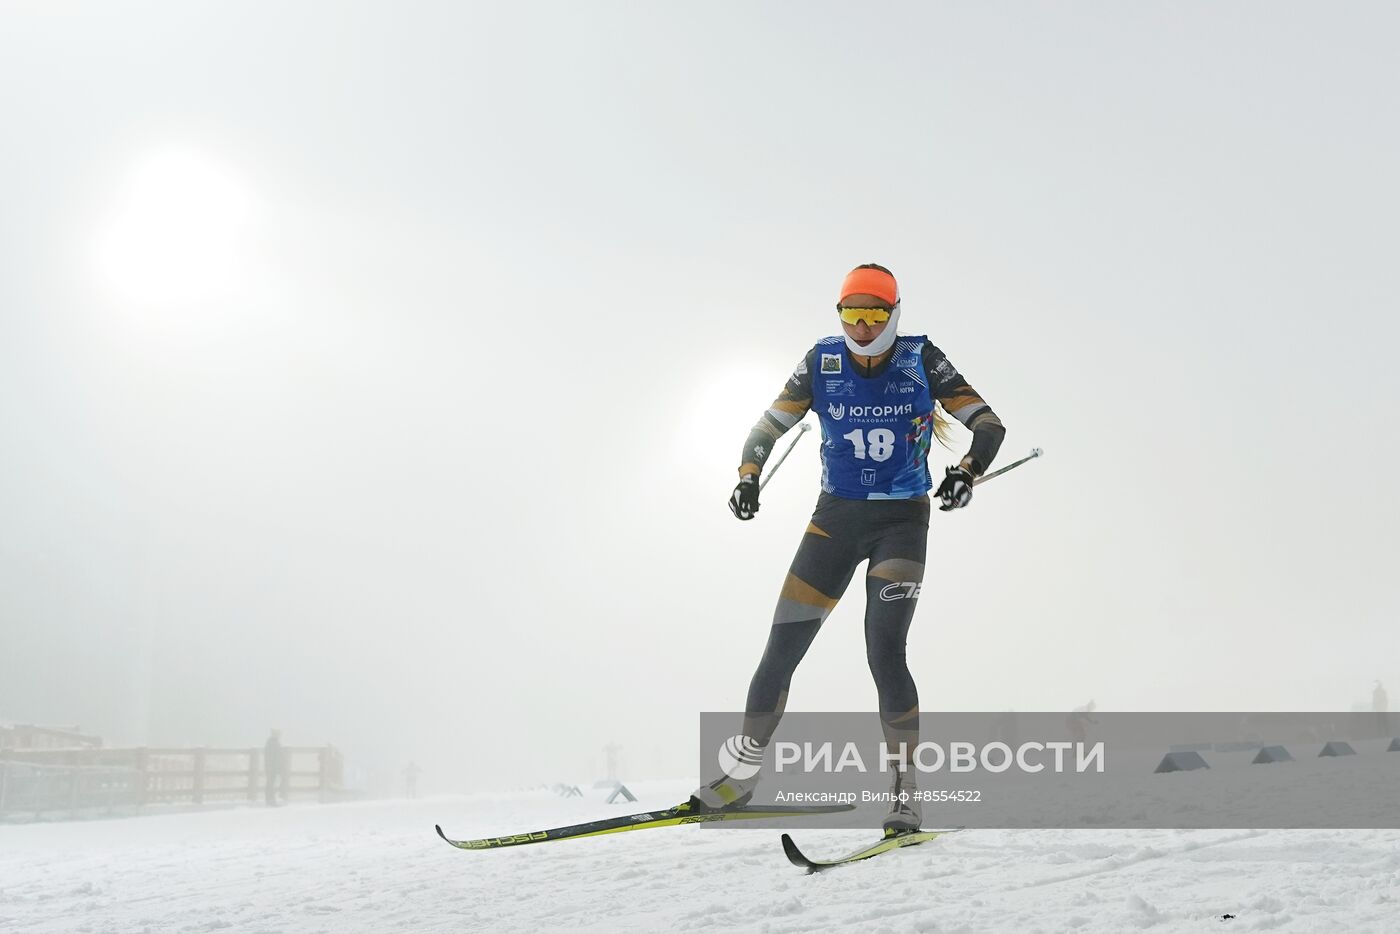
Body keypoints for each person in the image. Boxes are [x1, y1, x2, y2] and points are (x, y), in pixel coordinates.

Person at [692, 263, 1005, 834]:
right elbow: (766, 426)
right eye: (851, 314)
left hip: (900, 523)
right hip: (834, 521)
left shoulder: (919, 357)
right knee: (781, 648)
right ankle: (740, 777)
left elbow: (988, 424)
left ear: (893, 314)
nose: (862, 327)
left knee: (884, 650)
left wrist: (964, 471)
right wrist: (747, 475)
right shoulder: (822, 360)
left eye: (874, 315)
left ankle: (906, 794)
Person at [263, 729, 284, 807]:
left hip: (271, 767)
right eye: (278, 734)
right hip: (272, 767)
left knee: (270, 783)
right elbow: (274, 756)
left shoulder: (272, 742)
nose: (279, 735)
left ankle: (270, 800)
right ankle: (271, 800)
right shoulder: (273, 743)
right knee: (270, 783)